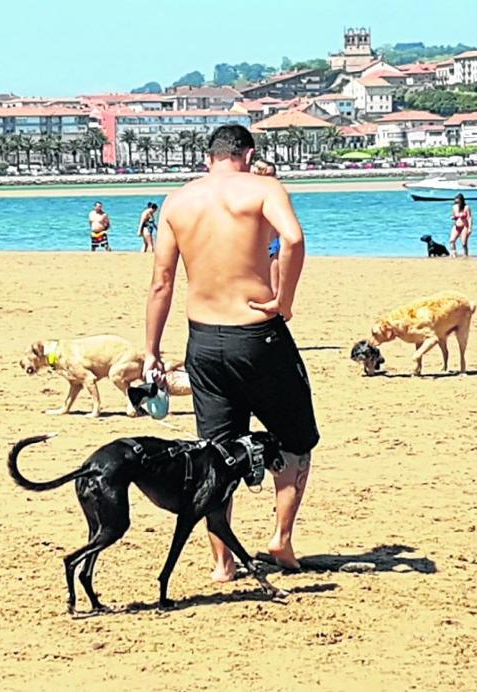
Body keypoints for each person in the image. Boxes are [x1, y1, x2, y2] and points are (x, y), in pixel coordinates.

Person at [145, 124, 317, 577]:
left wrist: (152, 350)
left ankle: (223, 563)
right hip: (256, 334)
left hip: (202, 338)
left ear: (208, 158)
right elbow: (294, 240)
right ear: (249, 153)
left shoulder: (178, 201)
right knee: (296, 439)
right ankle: (280, 540)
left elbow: (161, 281)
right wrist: (285, 300)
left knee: (217, 453)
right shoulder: (263, 188)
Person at [251, 159, 281, 293]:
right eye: (267, 175)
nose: (271, 179)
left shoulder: (276, 195)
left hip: (272, 245)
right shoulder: (248, 196)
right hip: (252, 247)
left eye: (272, 175)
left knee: (274, 288)